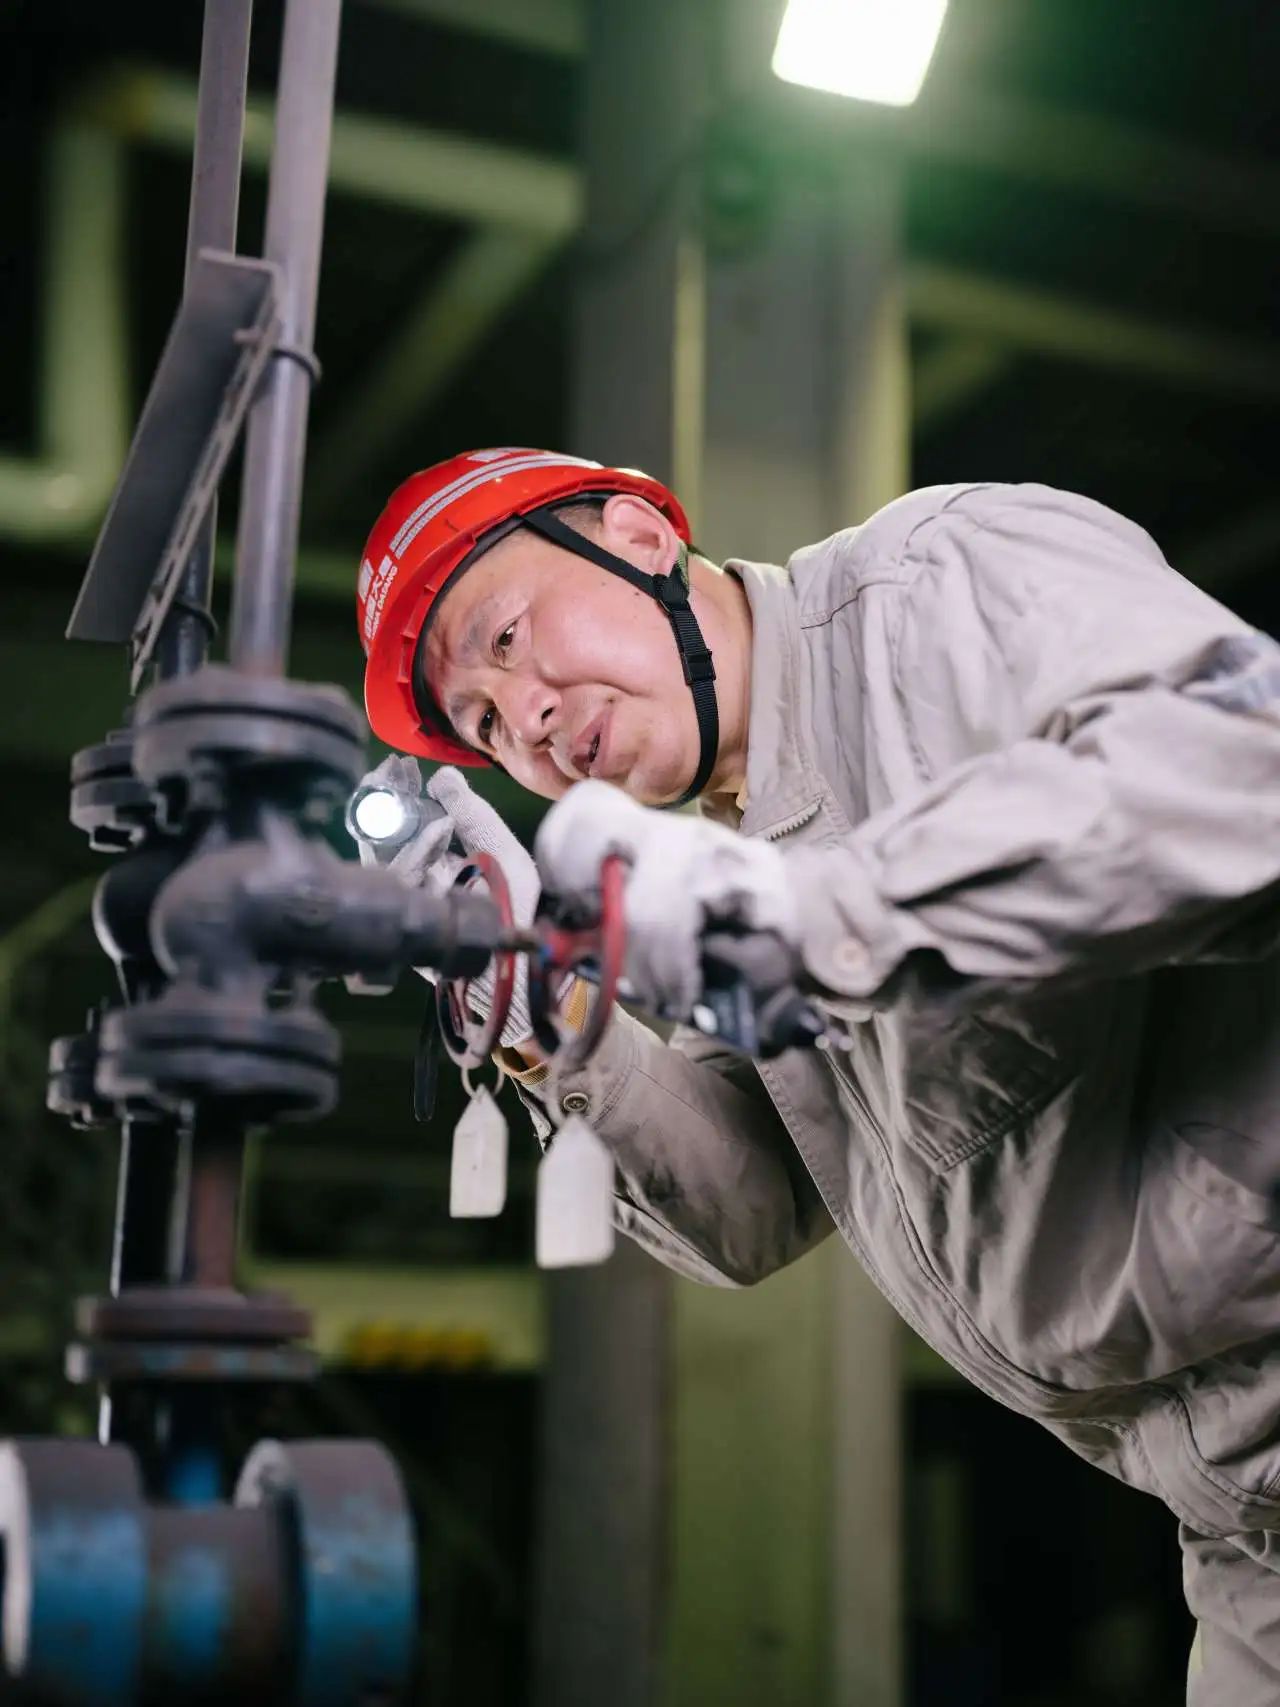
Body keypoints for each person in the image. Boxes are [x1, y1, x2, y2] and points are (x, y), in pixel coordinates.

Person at [354, 446, 1280, 1703]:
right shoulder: (746, 837)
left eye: (506, 639)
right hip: (1234, 1524)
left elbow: (1241, 763)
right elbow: (747, 1208)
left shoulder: (936, 580)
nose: (523, 719)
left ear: (635, 536)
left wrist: (798, 924)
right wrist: (550, 1022)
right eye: (481, 724)